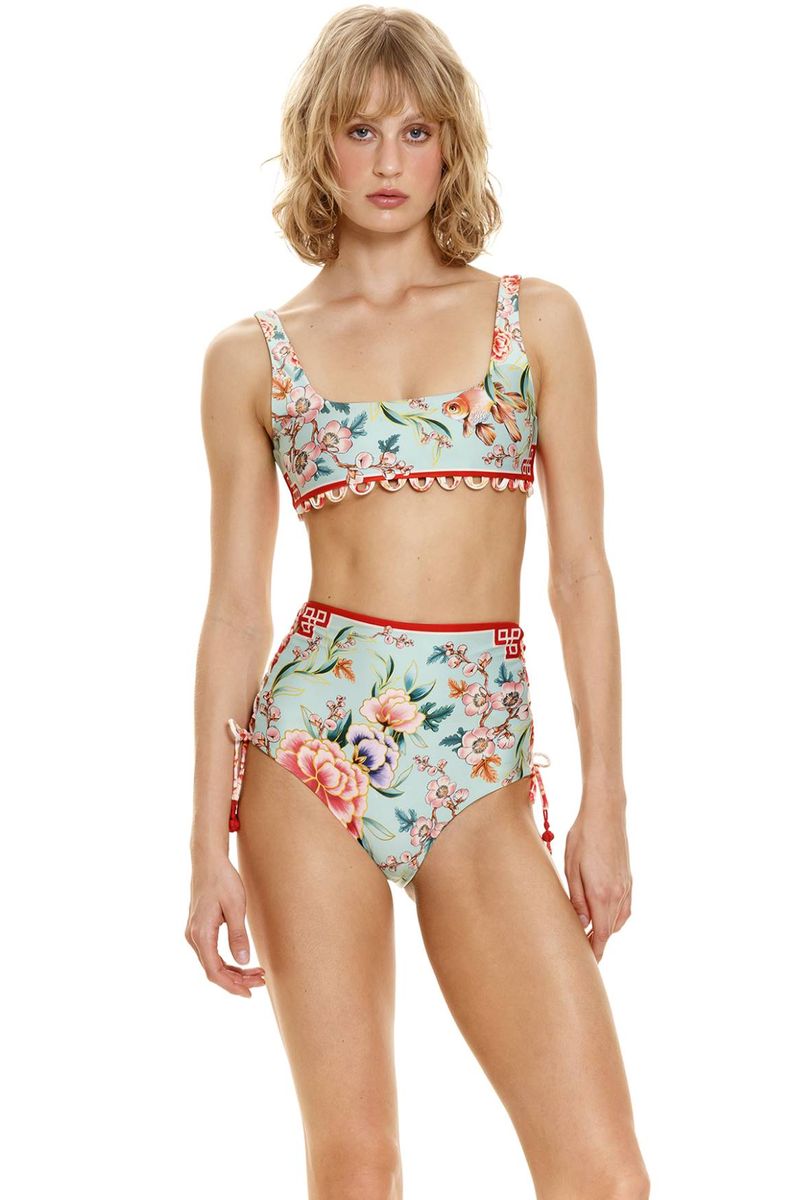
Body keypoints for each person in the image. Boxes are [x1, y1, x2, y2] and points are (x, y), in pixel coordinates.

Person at [186, 6, 650, 1198]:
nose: (387, 161)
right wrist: (204, 843)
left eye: (414, 130)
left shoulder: (534, 322)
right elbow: (234, 609)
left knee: (600, 1175)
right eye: (358, 130)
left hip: (479, 758)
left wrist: (603, 797)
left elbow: (580, 571)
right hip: (309, 754)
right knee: (356, 1166)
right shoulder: (251, 357)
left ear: (451, 147)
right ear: (318, 147)